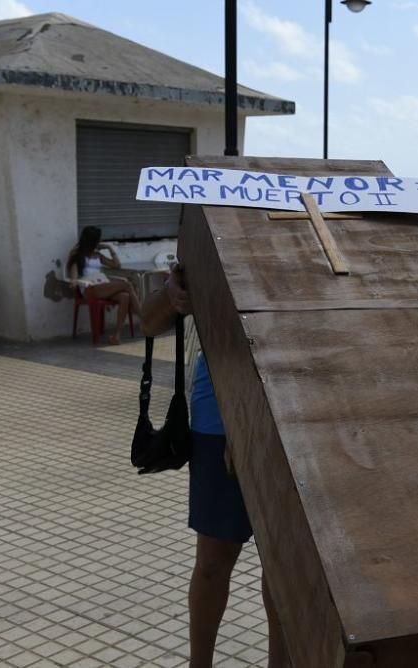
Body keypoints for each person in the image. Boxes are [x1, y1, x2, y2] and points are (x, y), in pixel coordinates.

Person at [142, 267, 290, 668]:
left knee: (283, 566)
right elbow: (150, 322)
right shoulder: (210, 234)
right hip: (218, 419)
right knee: (212, 559)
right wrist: (172, 295)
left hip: (295, 415)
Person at [67, 225, 140, 345]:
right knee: (127, 284)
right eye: (98, 240)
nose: (100, 242)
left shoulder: (97, 255)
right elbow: (74, 276)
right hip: (89, 289)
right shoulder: (77, 256)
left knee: (125, 296)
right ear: (92, 241)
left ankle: (117, 336)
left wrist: (110, 248)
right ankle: (142, 315)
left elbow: (116, 265)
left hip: (102, 285)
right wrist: (74, 282)